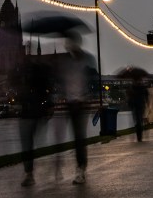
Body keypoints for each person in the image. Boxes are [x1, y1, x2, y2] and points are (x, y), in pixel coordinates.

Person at [14, 53, 55, 186]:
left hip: (34, 112)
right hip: (27, 113)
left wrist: (48, 106)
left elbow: (46, 90)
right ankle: (29, 173)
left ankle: (31, 172)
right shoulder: (20, 74)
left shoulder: (35, 72)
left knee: (29, 143)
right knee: (27, 144)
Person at [60, 30, 95, 184]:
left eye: (69, 42)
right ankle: (78, 166)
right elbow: (61, 81)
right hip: (70, 103)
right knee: (76, 137)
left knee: (79, 137)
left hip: (81, 103)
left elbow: (94, 79)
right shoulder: (65, 61)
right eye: (67, 42)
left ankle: (80, 169)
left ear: (76, 43)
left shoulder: (87, 59)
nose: (67, 45)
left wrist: (89, 96)